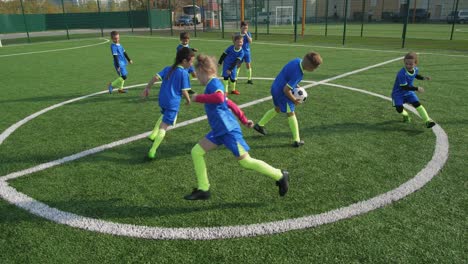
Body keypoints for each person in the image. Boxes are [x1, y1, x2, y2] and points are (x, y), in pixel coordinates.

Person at [184, 54, 289, 200]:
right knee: (196, 152)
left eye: (197, 74)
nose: (196, 78)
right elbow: (230, 103)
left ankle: (280, 175)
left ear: (203, 71)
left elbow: (220, 98)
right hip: (219, 131)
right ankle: (204, 189)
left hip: (228, 131)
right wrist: (244, 120)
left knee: (246, 162)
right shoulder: (212, 85)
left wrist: (197, 98)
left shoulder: (214, 84)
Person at [253, 52, 322, 147]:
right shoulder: (299, 74)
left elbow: (287, 76)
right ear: (309, 66)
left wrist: (296, 86)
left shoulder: (296, 60)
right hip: (282, 93)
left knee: (278, 108)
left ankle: (259, 125)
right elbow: (286, 90)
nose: (314, 70)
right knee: (291, 113)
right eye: (314, 68)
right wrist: (294, 100)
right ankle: (297, 140)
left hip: (275, 87)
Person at [142, 47, 194, 159]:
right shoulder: (184, 73)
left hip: (162, 99)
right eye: (191, 61)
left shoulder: (169, 68)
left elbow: (155, 77)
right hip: (172, 102)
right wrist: (188, 99)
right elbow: (184, 90)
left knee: (164, 115)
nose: (192, 64)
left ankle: (152, 134)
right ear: (184, 61)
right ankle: (153, 149)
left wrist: (147, 88)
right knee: (165, 126)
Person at [391, 52, 435, 128]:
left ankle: (427, 121)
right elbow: (404, 87)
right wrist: (417, 88)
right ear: (404, 62)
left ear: (415, 63)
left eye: (410, 64)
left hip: (409, 92)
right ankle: (406, 115)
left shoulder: (415, 69)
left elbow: (415, 75)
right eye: (406, 63)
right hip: (398, 93)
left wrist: (423, 78)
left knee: (417, 104)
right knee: (399, 109)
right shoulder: (401, 73)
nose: (408, 66)